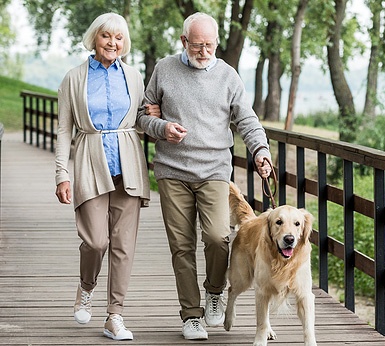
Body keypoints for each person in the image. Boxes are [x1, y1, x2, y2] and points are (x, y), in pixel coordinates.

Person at [138, 12, 272, 340]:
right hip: (172, 171)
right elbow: (143, 116)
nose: (204, 52)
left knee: (216, 237)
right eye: (197, 45)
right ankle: (191, 315)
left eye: (210, 45)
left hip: (214, 171)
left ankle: (214, 290)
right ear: (184, 41)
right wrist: (162, 128)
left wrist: (261, 151)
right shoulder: (164, 69)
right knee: (181, 245)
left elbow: (247, 120)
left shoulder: (228, 76)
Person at [55, 12, 152, 341]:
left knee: (124, 245)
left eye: (119, 38)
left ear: (125, 44)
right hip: (89, 161)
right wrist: (61, 174)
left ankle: (115, 315)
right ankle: (86, 286)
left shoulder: (134, 76)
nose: (113, 43)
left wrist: (155, 116)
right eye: (106, 37)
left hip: (128, 165)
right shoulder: (74, 78)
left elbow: (140, 117)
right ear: (94, 38)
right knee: (96, 241)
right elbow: (63, 130)